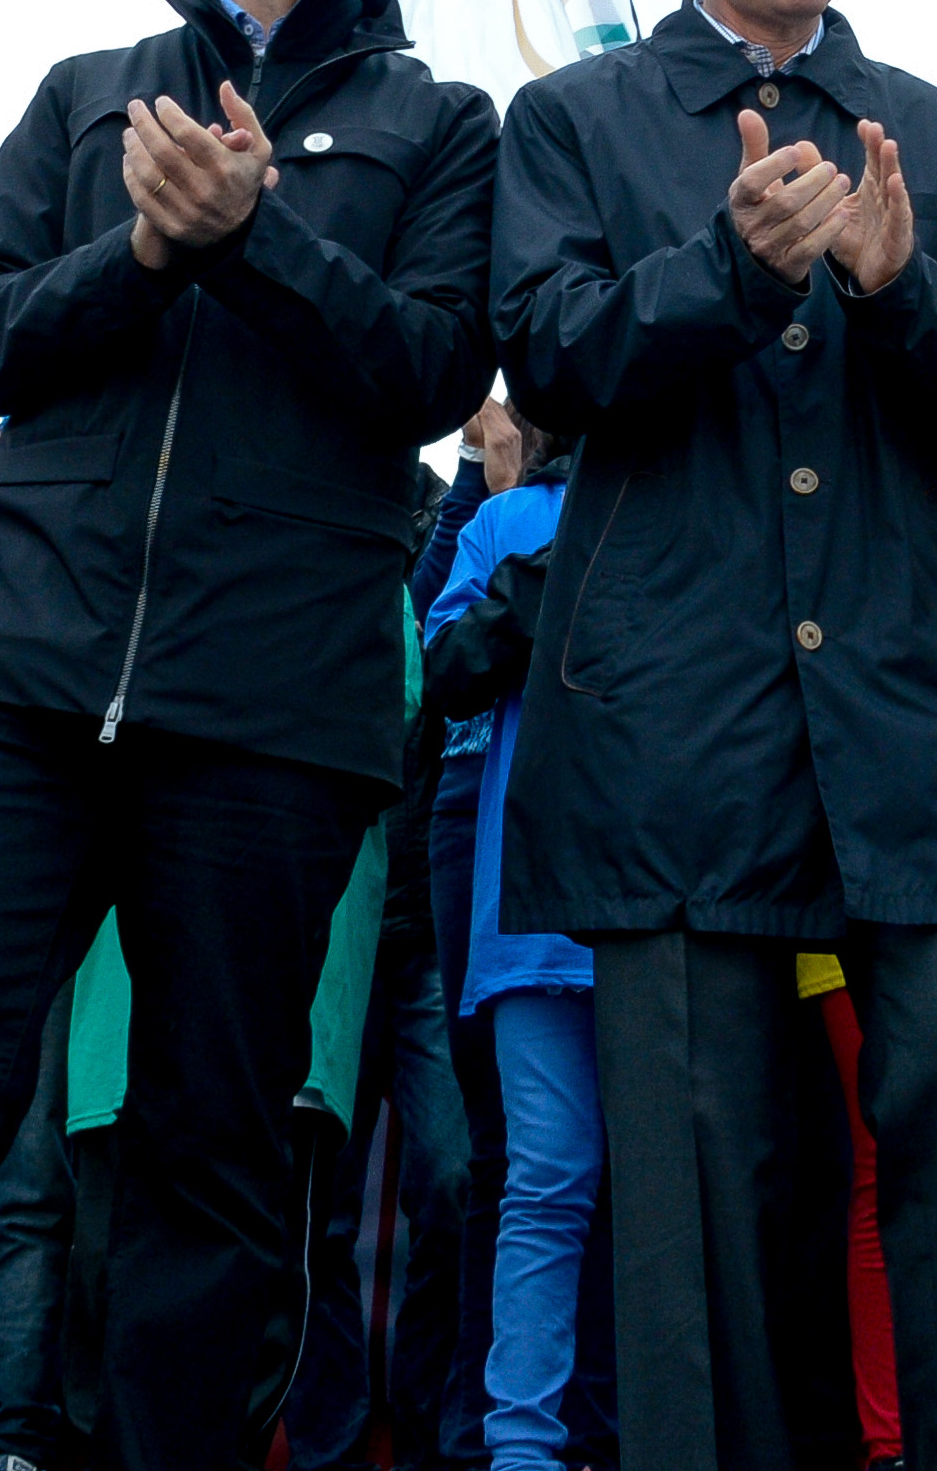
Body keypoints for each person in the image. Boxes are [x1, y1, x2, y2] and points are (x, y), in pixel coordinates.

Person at [0, 0, 500, 1471]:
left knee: (214, 1145)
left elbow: (430, 367)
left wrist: (248, 241)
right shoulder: (87, 94)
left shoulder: (440, 124)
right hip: (12, 676)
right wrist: (150, 257)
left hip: (271, 708)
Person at [492, 0, 937, 1471]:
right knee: (702, 1181)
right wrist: (730, 271)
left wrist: (903, 287)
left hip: (913, 715)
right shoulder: (572, 124)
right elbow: (549, 358)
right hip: (674, 720)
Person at [414, 419, 589, 1471]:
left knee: (673, 1183)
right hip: (532, 908)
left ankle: (624, 1432)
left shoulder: (717, 505)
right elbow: (445, 668)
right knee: (541, 1178)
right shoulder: (507, 518)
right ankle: (519, 1447)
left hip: (687, 901)